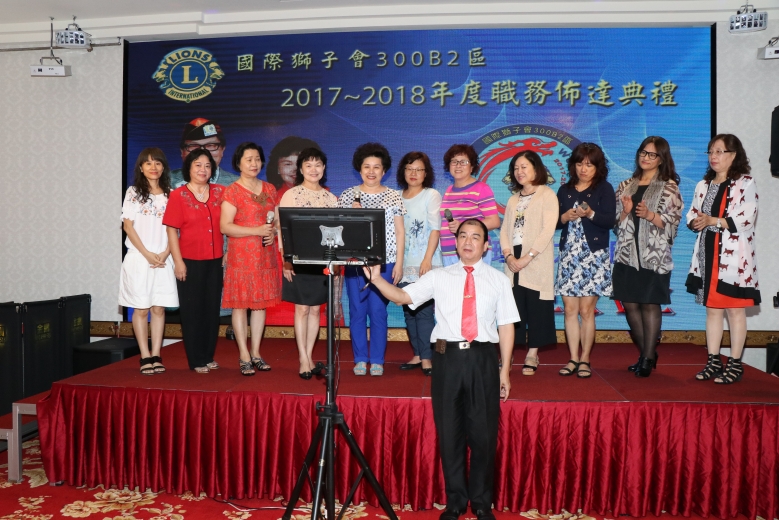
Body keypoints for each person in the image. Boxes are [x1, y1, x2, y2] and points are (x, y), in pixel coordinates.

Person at [363, 219, 518, 520]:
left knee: (484, 435)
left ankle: (482, 502)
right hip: (447, 360)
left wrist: (505, 371)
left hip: (483, 360)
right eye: (463, 236)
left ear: (487, 246)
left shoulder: (499, 280)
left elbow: (507, 326)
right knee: (450, 433)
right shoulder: (438, 276)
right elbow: (404, 297)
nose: (468, 242)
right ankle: (456, 501)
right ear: (456, 242)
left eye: (475, 237)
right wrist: (377, 279)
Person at [686, 134, 760, 384]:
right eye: (711, 152)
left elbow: (747, 218)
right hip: (707, 254)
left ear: (733, 155)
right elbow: (692, 213)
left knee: (735, 310)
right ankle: (714, 360)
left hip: (733, 258)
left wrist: (714, 221)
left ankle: (735, 363)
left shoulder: (745, 183)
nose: (714, 156)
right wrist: (696, 221)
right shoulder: (703, 185)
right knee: (712, 310)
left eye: (719, 151)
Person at [613, 137, 684, 378]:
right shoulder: (625, 185)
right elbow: (615, 223)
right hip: (626, 254)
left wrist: (650, 215)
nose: (646, 157)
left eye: (652, 154)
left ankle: (647, 357)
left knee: (649, 303)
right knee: (630, 304)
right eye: (643, 152)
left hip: (654, 255)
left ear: (661, 159)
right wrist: (625, 213)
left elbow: (673, 222)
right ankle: (648, 353)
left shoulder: (669, 187)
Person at [338, 142, 405, 377]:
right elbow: (340, 230)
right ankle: (360, 358)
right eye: (367, 166)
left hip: (384, 262)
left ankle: (377, 359)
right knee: (357, 311)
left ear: (384, 171)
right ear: (359, 169)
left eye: (377, 167)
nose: (371, 171)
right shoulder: (348, 195)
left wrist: (399, 263)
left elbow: (400, 232)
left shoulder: (393, 196)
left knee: (378, 311)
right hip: (355, 262)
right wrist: (352, 216)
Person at [555, 143, 615, 379]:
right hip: (569, 255)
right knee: (570, 309)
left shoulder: (604, 189)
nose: (583, 169)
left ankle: (585, 359)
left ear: (598, 167)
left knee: (586, 310)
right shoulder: (565, 190)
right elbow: (554, 222)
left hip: (593, 256)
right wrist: (564, 217)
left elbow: (609, 221)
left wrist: (590, 213)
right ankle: (572, 357)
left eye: (589, 165)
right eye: (580, 164)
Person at [220, 142, 280, 376]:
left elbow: (276, 222)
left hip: (265, 256)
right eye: (248, 159)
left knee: (260, 305)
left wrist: (273, 232)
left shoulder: (270, 188)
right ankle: (244, 354)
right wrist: (256, 230)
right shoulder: (232, 191)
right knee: (240, 305)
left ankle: (256, 353)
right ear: (239, 163)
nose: (254, 163)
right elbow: (225, 226)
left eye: (257, 159)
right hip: (241, 256)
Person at [278, 147, 338, 379]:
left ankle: (310, 354)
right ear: (301, 169)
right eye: (308, 165)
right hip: (298, 259)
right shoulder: (291, 195)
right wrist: (287, 260)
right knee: (302, 309)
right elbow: (283, 230)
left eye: (318, 165)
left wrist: (335, 262)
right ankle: (303, 357)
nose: (314, 169)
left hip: (322, 261)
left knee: (315, 310)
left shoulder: (331, 199)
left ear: (324, 168)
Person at [163, 149, 225, 373]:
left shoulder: (221, 192)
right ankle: (196, 359)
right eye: (198, 165)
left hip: (215, 261)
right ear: (188, 168)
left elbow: (230, 223)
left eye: (207, 165)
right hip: (189, 261)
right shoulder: (178, 195)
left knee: (211, 310)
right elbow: (171, 230)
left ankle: (208, 356)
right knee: (192, 311)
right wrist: (178, 262)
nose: (203, 170)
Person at [499, 151, 559, 376]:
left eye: (524, 167)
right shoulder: (513, 199)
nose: (519, 171)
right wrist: (508, 256)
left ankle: (532, 353)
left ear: (536, 168)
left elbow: (547, 230)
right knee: (512, 308)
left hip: (536, 258)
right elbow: (505, 230)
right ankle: (508, 353)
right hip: (513, 259)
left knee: (536, 307)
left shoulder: (547, 195)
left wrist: (527, 257)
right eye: (516, 168)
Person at [119, 148, 179, 375]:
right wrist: (146, 253)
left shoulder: (172, 194)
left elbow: (175, 229)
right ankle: (144, 356)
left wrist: (166, 253)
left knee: (159, 308)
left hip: (164, 259)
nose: (153, 167)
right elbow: (128, 227)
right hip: (139, 258)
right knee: (141, 309)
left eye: (158, 163)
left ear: (164, 167)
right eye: (148, 163)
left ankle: (156, 354)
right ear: (141, 167)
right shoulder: (133, 192)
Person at [396, 151, 443, 376]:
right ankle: (417, 353)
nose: (413, 173)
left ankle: (427, 358)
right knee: (409, 311)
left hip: (424, 262)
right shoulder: (396, 196)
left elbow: (435, 229)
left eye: (418, 169)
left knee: (423, 311)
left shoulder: (431, 195)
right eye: (409, 169)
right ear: (403, 172)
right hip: (402, 263)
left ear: (426, 173)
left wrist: (427, 259)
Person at [439, 144, 500, 266]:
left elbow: (494, 222)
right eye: (454, 161)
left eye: (463, 162)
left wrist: (462, 226)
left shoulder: (481, 188)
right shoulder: (449, 190)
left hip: (472, 252)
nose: (458, 165)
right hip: (449, 252)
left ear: (472, 166)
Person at [169, 118, 239, 188]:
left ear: (222, 149)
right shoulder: (167, 180)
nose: (203, 153)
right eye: (193, 145)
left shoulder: (236, 184)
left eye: (210, 145)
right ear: (182, 151)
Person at [266, 136, 321, 203]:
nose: (295, 169)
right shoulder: (271, 200)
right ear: (277, 168)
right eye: (288, 164)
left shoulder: (327, 197)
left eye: (300, 163)